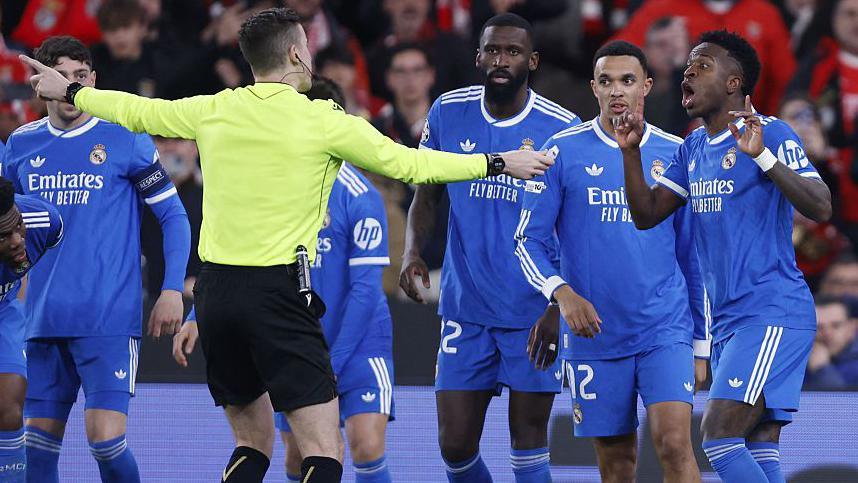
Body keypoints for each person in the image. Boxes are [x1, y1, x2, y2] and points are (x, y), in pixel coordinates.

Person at [21, 8, 554, 483]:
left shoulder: (214, 109)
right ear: (299, 53)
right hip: (278, 293)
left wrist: (69, 92)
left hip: (215, 297)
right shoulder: (321, 119)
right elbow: (412, 165)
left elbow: (137, 110)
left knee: (252, 447)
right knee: (323, 452)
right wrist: (499, 160)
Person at [614, 30, 832, 483]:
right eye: (688, 66)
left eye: (703, 65)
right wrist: (630, 154)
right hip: (728, 323)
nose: (688, 72)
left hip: (771, 310)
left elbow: (820, 205)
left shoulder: (769, 132)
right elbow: (647, 214)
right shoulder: (692, 147)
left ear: (734, 83)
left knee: (718, 437)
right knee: (757, 444)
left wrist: (765, 159)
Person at [175, 78, 397, 483]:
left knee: (365, 444)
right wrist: (195, 314)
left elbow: (366, 290)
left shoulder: (359, 196)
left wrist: (336, 360)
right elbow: (238, 259)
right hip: (288, 337)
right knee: (298, 457)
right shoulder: (273, 189)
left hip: (359, 341)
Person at [514, 40, 707, 483]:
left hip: (665, 328)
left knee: (675, 445)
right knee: (617, 465)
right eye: (606, 81)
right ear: (594, 88)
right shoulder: (562, 151)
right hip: (594, 336)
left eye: (627, 80)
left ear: (647, 86)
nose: (617, 90)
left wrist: (700, 343)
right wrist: (561, 296)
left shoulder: (678, 152)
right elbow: (526, 240)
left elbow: (693, 258)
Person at [3, 36, 191, 483]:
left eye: (81, 76)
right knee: (37, 451)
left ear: (94, 80)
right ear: (39, 84)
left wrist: (170, 289)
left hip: (107, 318)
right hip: (41, 323)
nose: (72, 86)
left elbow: (174, 216)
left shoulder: (124, 137)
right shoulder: (20, 146)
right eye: (61, 77)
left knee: (105, 442)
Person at [400, 13, 578, 482]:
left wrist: (557, 307)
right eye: (492, 50)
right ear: (478, 55)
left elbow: (577, 230)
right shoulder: (447, 111)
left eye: (513, 51)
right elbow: (427, 188)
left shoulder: (562, 129)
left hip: (532, 312)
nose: (501, 60)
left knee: (528, 443)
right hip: (466, 307)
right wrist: (412, 251)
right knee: (454, 447)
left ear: (532, 61)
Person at [0, 176, 63, 483]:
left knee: (9, 404)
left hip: (4, 311)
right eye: (2, 237)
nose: (16, 241)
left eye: (17, 227)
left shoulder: (43, 222)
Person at [804, 296, 858, 389]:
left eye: (835, 325)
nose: (827, 333)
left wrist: (821, 368)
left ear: (852, 327)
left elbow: (843, 402)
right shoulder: (793, 360)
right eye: (818, 327)